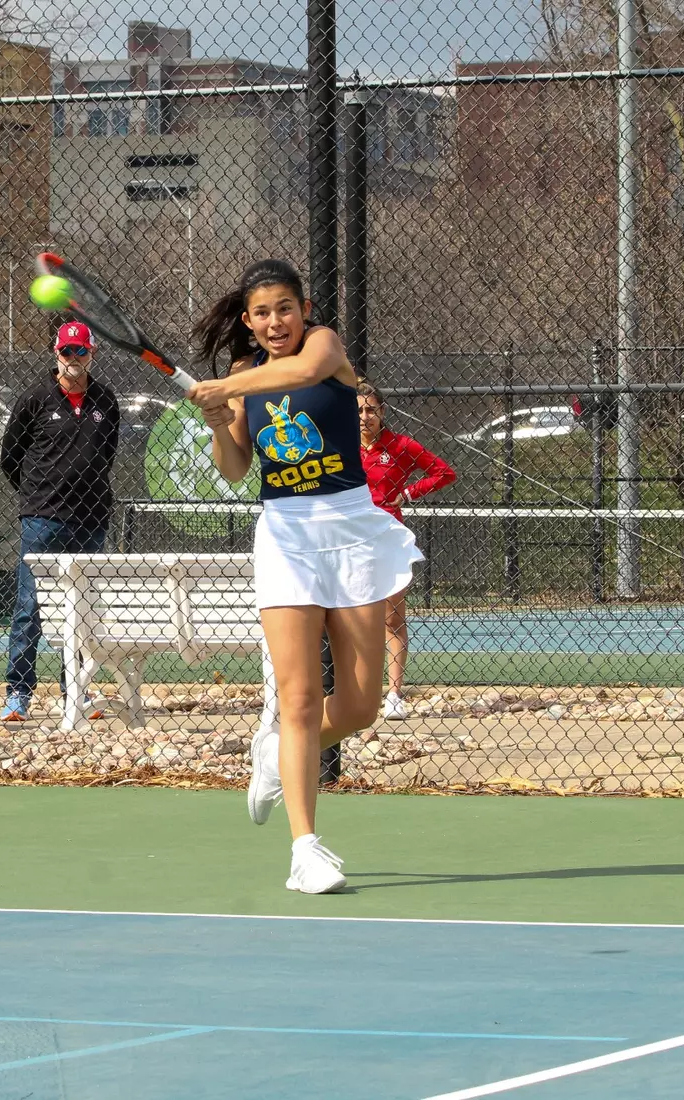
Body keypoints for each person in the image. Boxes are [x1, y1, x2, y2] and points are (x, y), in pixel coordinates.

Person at [187, 259, 422, 895]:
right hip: (286, 536)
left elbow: (306, 374)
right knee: (296, 699)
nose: (274, 322)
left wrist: (228, 390)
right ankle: (305, 850)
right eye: (261, 313)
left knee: (361, 704)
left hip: (349, 528)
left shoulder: (324, 347)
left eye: (284, 308)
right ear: (248, 320)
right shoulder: (242, 376)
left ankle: (274, 756)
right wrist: (218, 419)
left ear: (304, 307)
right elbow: (236, 468)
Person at [0, 320, 121, 722]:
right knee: (30, 606)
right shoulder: (34, 398)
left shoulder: (106, 401)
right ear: (56, 353)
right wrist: (38, 495)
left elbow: (106, 455)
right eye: (66, 352)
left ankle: (77, 692)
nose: (73, 359)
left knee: (84, 609)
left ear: (92, 354)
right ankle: (19, 693)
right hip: (42, 518)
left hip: (90, 518)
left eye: (80, 351)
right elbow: (10, 457)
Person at [358, 382, 456, 719]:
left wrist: (410, 492)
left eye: (371, 409)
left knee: (392, 619)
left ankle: (394, 695)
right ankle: (352, 692)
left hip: (388, 540)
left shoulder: (400, 446)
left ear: (382, 412)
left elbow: (444, 473)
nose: (364, 416)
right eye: (358, 410)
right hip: (349, 542)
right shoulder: (338, 447)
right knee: (348, 620)